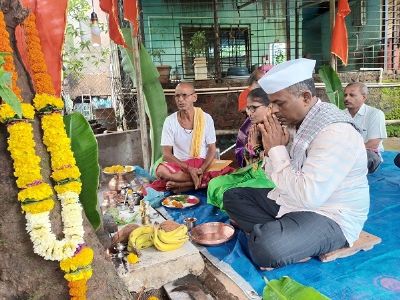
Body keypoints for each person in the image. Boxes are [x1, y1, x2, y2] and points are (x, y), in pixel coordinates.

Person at [223, 58, 370, 269]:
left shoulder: (335, 131)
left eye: (279, 103)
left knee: (267, 247)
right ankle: (292, 237)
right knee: (233, 196)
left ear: (305, 97)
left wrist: (276, 150)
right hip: (294, 201)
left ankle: (284, 236)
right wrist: (266, 151)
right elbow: (278, 179)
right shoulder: (295, 122)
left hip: (331, 214)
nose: (272, 110)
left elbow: (310, 196)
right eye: (271, 103)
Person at [153, 82, 233, 193]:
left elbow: (212, 149)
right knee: (161, 171)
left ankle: (185, 185)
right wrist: (189, 169)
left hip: (202, 164)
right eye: (177, 96)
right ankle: (200, 182)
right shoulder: (170, 121)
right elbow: (166, 154)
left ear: (194, 97)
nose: (180, 99)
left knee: (227, 171)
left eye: (184, 95)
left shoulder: (206, 118)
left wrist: (201, 169)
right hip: (181, 166)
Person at [207, 88, 275, 210]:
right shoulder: (252, 127)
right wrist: (251, 150)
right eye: (248, 109)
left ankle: (239, 215)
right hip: (252, 172)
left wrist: (256, 148)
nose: (249, 113)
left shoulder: (278, 128)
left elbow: (275, 164)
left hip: (269, 179)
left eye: (254, 108)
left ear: (269, 107)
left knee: (229, 194)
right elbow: (248, 163)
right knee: (214, 184)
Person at [343, 82, 387, 173]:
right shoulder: (340, 114)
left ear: (364, 97)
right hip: (344, 152)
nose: (347, 98)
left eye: (352, 95)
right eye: (345, 95)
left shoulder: (375, 114)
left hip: (367, 152)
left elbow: (373, 143)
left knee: (367, 157)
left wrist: (348, 152)